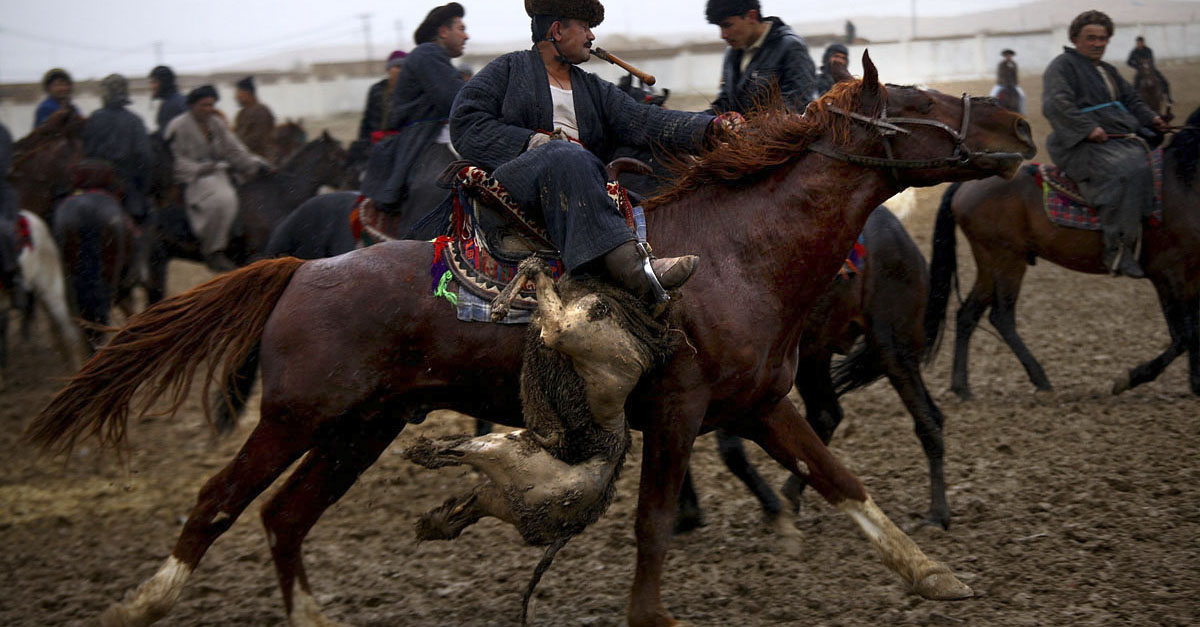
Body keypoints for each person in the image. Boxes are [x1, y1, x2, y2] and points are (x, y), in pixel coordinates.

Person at [451, 0, 732, 303]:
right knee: (567, 155)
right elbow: (466, 122)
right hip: (523, 180)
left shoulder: (593, 88)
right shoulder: (508, 70)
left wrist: (710, 127)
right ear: (557, 31)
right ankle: (635, 272)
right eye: (584, 27)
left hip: (582, 180)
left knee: (656, 161)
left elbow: (643, 120)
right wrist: (535, 143)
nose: (592, 37)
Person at [1042, 10, 1166, 278]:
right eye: (1091, 38)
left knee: (1157, 165)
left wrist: (1151, 118)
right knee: (1129, 171)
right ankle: (1118, 252)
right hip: (1079, 144)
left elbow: (1132, 100)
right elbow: (1056, 104)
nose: (1098, 43)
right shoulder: (1062, 66)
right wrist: (1087, 129)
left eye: (1103, 38)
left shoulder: (1107, 70)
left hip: (1115, 139)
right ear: (1075, 39)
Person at [361, 2, 469, 211]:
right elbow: (456, 98)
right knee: (442, 191)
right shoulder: (427, 53)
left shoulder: (434, 58)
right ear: (444, 31)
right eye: (461, 29)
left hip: (430, 139)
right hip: (422, 142)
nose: (467, 36)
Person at [164, 85, 271, 272]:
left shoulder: (216, 123)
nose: (208, 109)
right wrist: (201, 169)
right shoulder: (178, 126)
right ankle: (213, 251)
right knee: (223, 199)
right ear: (192, 105)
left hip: (220, 172)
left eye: (211, 105)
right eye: (204, 105)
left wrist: (257, 164)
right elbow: (174, 160)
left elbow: (234, 149)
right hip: (193, 177)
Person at [706, 0, 816, 114]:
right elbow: (725, 104)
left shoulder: (790, 47)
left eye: (727, 25)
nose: (723, 35)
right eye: (720, 27)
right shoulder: (732, 53)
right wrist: (699, 121)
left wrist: (750, 128)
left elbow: (797, 104)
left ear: (751, 16)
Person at [81, 74, 153, 223]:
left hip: (97, 182)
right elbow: (145, 156)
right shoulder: (135, 120)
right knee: (145, 221)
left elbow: (87, 151)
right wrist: (143, 185)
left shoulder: (94, 117)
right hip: (127, 185)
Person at [357, 50, 407, 144]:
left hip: (401, 142)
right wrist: (363, 141)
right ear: (388, 69)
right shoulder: (376, 90)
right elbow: (367, 119)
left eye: (404, 67)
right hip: (377, 141)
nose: (400, 70)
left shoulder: (410, 91)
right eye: (397, 67)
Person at [233, 76, 277, 161]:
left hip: (261, 160)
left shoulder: (261, 111)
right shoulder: (242, 113)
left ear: (248, 94)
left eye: (238, 93)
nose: (236, 97)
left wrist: (237, 149)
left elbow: (258, 139)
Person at [1127, 36, 1171, 104]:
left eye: (1140, 43)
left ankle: (1168, 98)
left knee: (1163, 81)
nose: (1139, 44)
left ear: (1143, 43)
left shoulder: (1148, 50)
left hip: (1151, 69)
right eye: (1138, 43)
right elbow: (1129, 62)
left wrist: (1149, 67)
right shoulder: (1134, 51)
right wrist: (1137, 67)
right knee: (1135, 84)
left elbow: (1151, 60)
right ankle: (1136, 100)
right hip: (1140, 71)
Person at [149, 65, 187, 135]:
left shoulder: (171, 105)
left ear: (164, 83)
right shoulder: (179, 99)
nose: (151, 86)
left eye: (154, 82)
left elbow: (167, 137)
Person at [989, 49, 1025, 113]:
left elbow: (1015, 76)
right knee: (992, 96)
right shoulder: (1001, 64)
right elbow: (1001, 75)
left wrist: (1014, 84)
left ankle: (1022, 112)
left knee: (1022, 96)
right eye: (1007, 56)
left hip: (1013, 84)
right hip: (1001, 84)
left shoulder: (1014, 64)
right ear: (1005, 56)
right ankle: (993, 111)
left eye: (1010, 55)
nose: (1008, 57)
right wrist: (1005, 84)